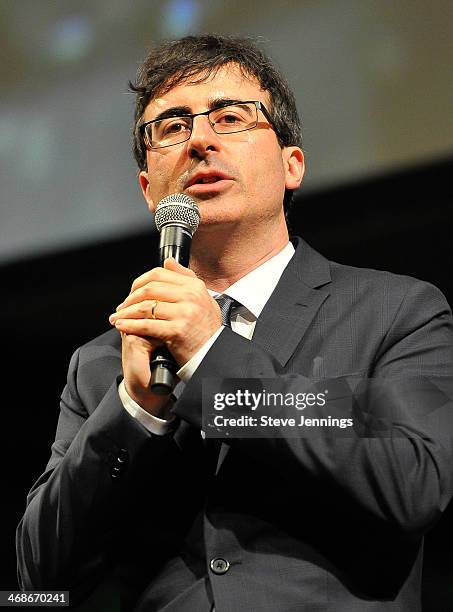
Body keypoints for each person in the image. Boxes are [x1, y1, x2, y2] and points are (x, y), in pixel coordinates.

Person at [16, 34, 453, 611]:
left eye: (230, 117)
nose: (199, 140)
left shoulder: (395, 312)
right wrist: (135, 414)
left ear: (291, 164)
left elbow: (413, 483)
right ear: (149, 191)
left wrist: (209, 357)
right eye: (171, 127)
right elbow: (39, 575)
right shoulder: (102, 364)